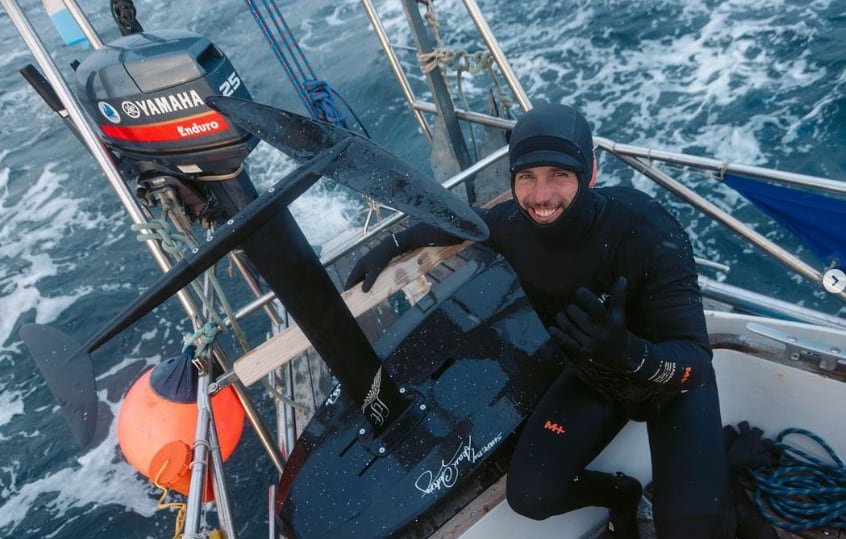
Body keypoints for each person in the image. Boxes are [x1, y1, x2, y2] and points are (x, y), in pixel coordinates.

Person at [344, 102, 735, 538]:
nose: (541, 196)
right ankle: (622, 495)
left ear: (590, 173)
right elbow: (462, 222)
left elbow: (696, 364)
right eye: (526, 176)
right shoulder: (514, 224)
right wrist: (394, 243)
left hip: (669, 385)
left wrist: (625, 351)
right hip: (596, 376)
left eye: (559, 175)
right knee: (531, 496)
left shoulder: (648, 234)